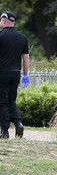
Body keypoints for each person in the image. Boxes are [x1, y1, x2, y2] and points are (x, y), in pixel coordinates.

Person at [0, 11, 30, 139]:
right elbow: (26, 58)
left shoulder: (0, 36)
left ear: (4, 20)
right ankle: (18, 123)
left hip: (2, 73)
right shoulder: (22, 37)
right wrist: (25, 75)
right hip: (16, 74)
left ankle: (5, 131)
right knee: (12, 100)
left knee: (2, 101)